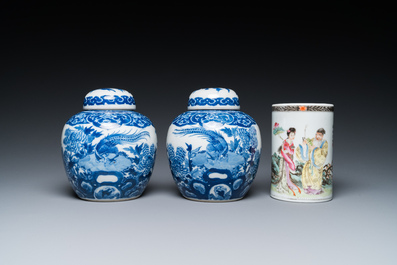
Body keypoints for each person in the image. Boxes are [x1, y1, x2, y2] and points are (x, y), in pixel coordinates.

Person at [295, 128, 329, 195]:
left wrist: (315, 149)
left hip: (316, 164)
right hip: (309, 163)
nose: (317, 136)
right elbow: (308, 144)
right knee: (307, 177)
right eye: (316, 134)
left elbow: (323, 154)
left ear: (322, 136)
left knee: (315, 177)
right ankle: (307, 190)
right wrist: (305, 144)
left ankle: (315, 191)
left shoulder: (324, 143)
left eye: (319, 135)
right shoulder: (312, 140)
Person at [275, 128, 301, 196]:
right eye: (291, 135)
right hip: (284, 159)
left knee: (287, 172)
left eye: (294, 135)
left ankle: (289, 183)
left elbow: (292, 152)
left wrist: (289, 151)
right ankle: (284, 184)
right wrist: (287, 151)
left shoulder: (292, 143)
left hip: (289, 157)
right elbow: (283, 151)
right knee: (284, 171)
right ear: (288, 134)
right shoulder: (285, 142)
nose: (293, 136)